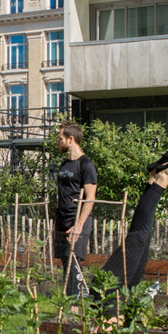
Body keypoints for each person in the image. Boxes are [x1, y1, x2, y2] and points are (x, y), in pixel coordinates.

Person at [99, 148, 168, 295]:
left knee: (140, 236)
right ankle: (155, 177)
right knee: (142, 236)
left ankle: (161, 178)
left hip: (109, 293)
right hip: (117, 292)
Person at [54, 122, 98, 298]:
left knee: (74, 261)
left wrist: (79, 224)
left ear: (71, 139)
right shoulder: (64, 164)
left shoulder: (86, 165)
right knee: (66, 261)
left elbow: (90, 197)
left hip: (77, 219)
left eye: (60, 139)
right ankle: (70, 298)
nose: (58, 142)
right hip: (62, 219)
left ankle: (77, 301)